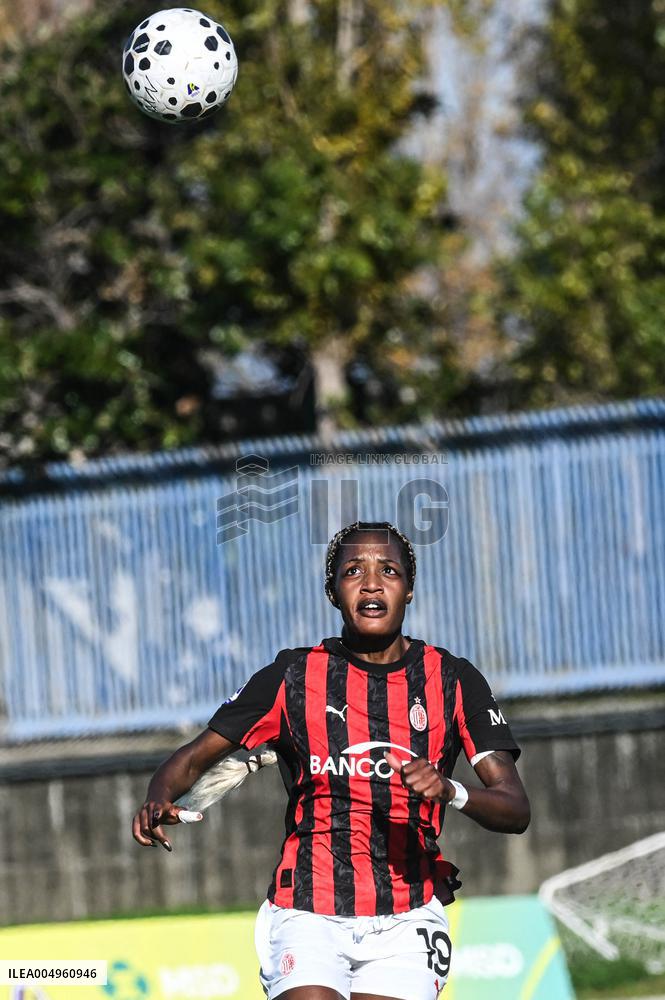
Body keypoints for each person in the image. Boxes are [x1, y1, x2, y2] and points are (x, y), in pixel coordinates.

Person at [132, 520, 530, 1000]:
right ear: (332, 592)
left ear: (409, 590)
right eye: (352, 571)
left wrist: (452, 790)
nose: (371, 583)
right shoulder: (292, 678)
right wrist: (158, 798)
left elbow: (514, 808)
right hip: (307, 910)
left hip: (407, 917)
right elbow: (194, 758)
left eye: (389, 570)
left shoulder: (453, 681)